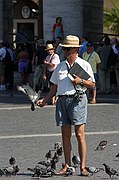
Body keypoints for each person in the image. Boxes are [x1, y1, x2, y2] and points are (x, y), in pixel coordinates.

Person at [37, 35, 95, 176]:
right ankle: (67, 165)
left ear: (76, 50)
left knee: (80, 135)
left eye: (68, 49)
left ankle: (82, 167)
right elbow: (54, 86)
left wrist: (80, 80)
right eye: (65, 49)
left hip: (77, 100)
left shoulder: (84, 64)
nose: (66, 52)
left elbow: (92, 84)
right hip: (62, 101)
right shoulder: (60, 66)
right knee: (65, 136)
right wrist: (45, 100)